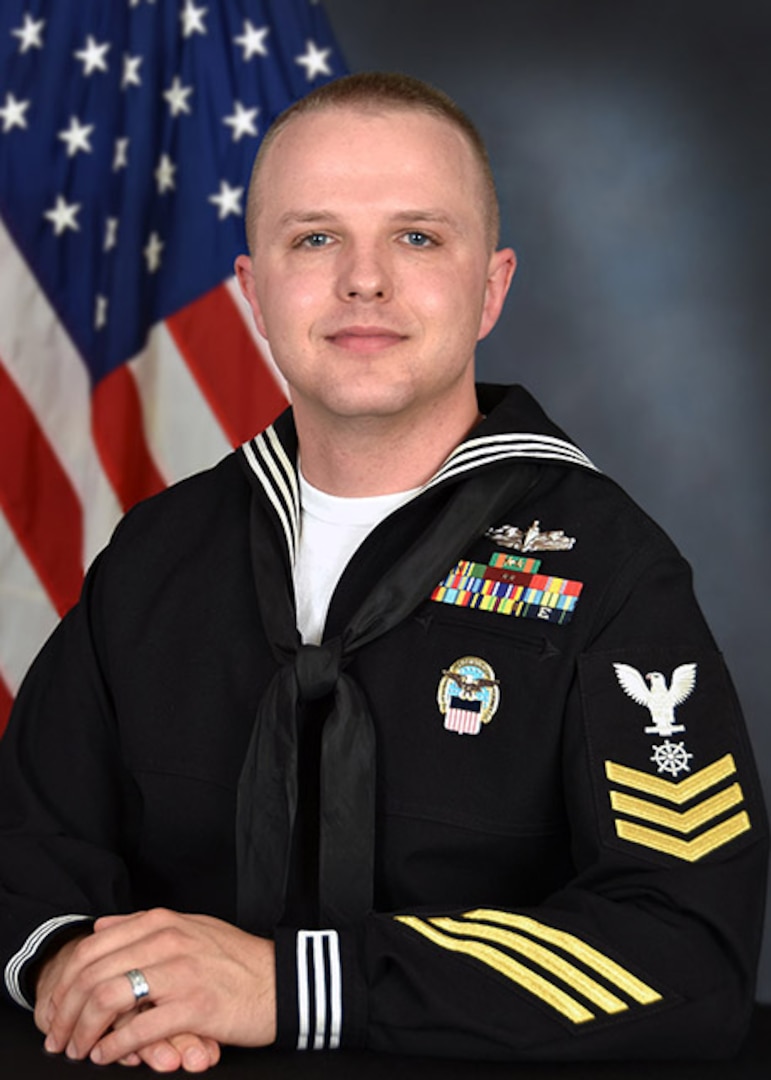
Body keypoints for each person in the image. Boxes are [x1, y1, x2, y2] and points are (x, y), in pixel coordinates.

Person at [0, 71, 767, 1072]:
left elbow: (687, 950)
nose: (365, 280)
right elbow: (28, 844)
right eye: (315, 238)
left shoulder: (613, 572)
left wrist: (291, 988)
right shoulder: (155, 557)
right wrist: (77, 966)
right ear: (253, 291)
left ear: (491, 289)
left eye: (417, 237)